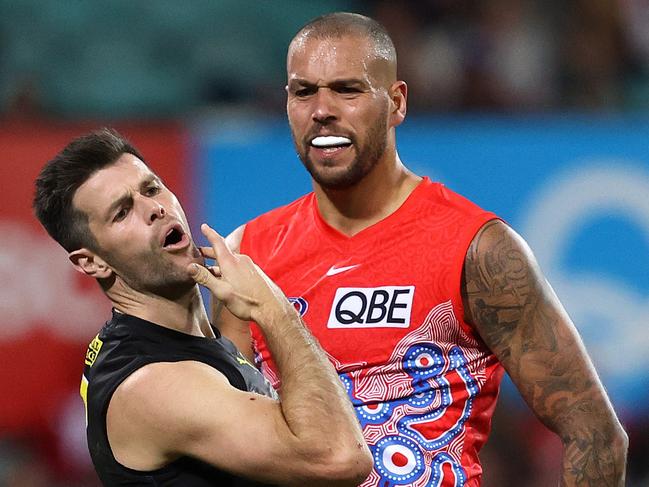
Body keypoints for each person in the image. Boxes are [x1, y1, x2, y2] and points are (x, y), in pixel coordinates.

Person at [213, 12, 628, 486]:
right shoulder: (248, 254)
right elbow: (227, 442)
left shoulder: (480, 250)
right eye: (303, 91)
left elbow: (597, 435)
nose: (322, 109)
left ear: (396, 102)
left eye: (347, 90)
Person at [33, 128, 373, 487]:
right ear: (92, 263)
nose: (154, 209)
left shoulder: (183, 340)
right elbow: (339, 458)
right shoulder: (154, 384)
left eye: (151, 188)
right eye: (122, 212)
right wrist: (274, 308)